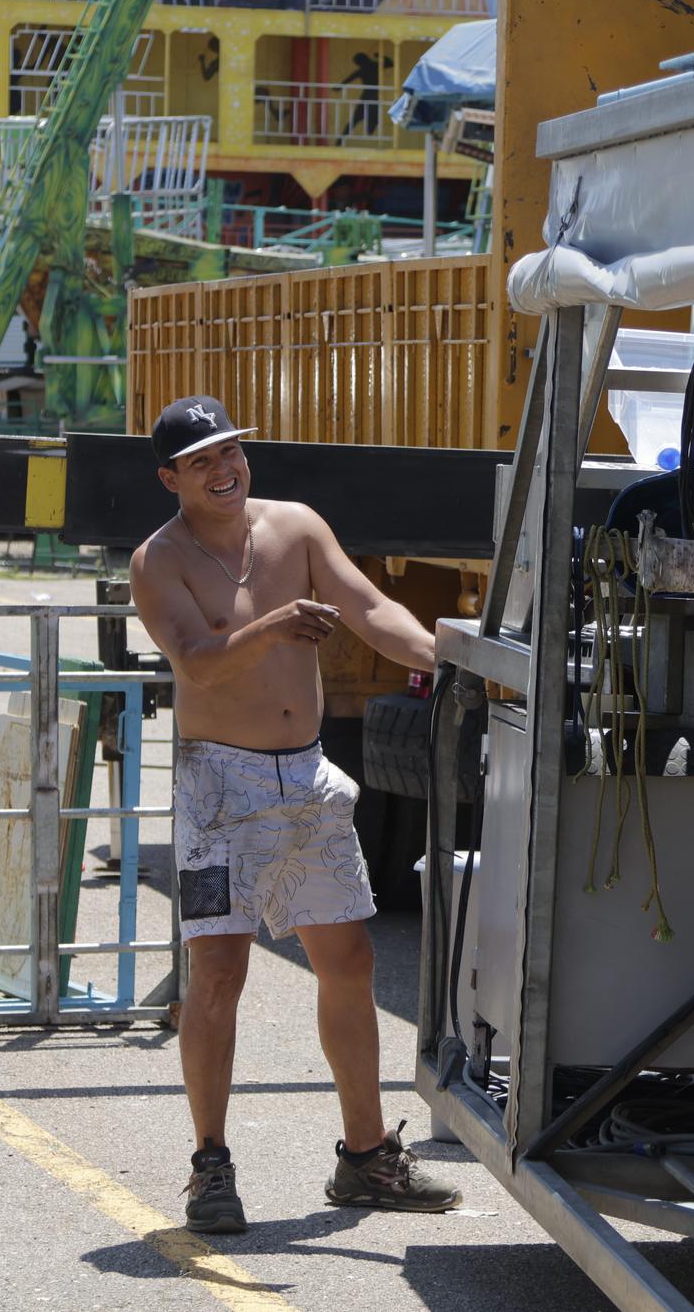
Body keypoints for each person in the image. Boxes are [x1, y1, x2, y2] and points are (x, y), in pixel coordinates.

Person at [130, 395, 460, 1233]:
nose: (224, 467)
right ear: (171, 478)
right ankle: (211, 1165)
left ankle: (366, 1157)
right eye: (201, 460)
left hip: (307, 780)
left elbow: (372, 609)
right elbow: (199, 666)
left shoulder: (297, 528)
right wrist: (273, 625)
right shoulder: (157, 561)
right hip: (218, 789)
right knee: (219, 975)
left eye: (231, 450)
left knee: (347, 959)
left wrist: (457, 657)